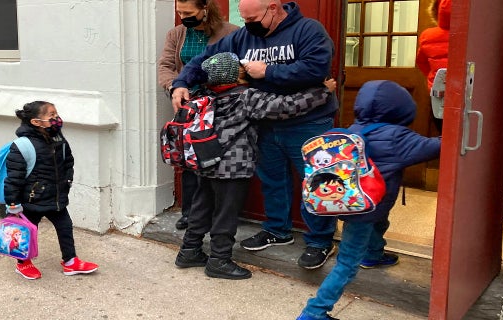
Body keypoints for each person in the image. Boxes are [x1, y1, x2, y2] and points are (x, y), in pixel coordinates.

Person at [170, 0, 339, 270]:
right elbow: (205, 59)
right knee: (273, 180)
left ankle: (319, 240)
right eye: (244, 20)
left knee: (317, 182)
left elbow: (316, 69)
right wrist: (181, 83)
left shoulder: (308, 30)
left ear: (273, 8)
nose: (248, 26)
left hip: (308, 123)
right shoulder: (244, 36)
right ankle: (277, 230)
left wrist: (268, 71)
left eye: (252, 20)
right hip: (264, 122)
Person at [296, 80, 441, 320]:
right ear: (402, 108)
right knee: (347, 263)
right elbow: (436, 147)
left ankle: (373, 255)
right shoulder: (397, 137)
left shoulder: (354, 130)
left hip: (352, 202)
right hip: (365, 209)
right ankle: (314, 312)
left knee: (379, 223)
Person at [157, 0, 239, 230]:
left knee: (214, 157)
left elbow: (240, 66)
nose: (183, 16)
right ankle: (190, 213)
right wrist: (174, 87)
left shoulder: (231, 32)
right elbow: (165, 65)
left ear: (205, 9)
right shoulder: (176, 34)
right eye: (180, 12)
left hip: (220, 104)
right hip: (187, 104)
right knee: (189, 158)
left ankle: (217, 215)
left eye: (188, 12)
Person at [4, 101, 98, 280]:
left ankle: (70, 262)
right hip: (32, 200)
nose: (57, 119)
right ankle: (23, 263)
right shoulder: (22, 145)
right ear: (36, 122)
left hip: (56, 197)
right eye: (51, 116)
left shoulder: (58, 139)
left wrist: (67, 181)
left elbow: (68, 161)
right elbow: (13, 178)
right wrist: (13, 203)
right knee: (26, 233)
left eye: (57, 114)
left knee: (65, 228)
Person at [416, 0, 451, 132]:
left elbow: (422, 62)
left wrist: (434, 78)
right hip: (467, 92)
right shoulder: (472, 36)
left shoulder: (428, 36)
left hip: (438, 92)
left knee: (444, 132)